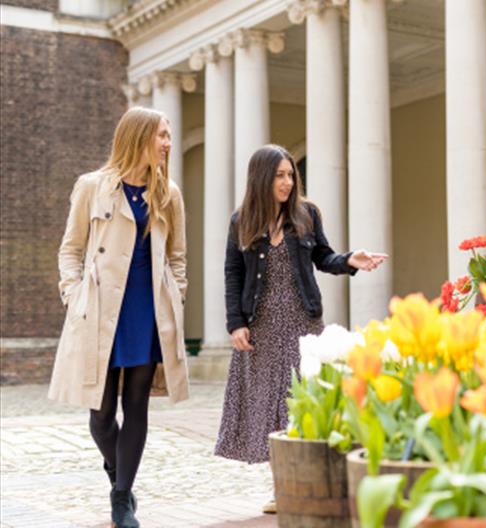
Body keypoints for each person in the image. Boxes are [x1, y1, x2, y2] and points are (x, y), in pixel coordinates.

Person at [215, 144, 387, 512]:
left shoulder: (307, 215)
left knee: (300, 398)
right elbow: (233, 273)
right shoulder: (241, 220)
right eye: (279, 175)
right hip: (260, 323)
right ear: (262, 177)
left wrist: (350, 260)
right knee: (268, 404)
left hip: (301, 320)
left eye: (291, 174)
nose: (288, 182)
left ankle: (300, 482)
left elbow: (323, 257)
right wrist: (235, 323)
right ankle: (283, 485)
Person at [48, 107, 189, 528]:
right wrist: (73, 295)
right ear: (139, 136)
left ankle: (121, 499)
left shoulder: (169, 193)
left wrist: (175, 297)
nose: (167, 143)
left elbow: (178, 257)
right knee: (101, 413)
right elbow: (70, 249)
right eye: (162, 135)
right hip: (99, 310)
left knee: (137, 405)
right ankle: (119, 476)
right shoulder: (92, 187)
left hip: (148, 310)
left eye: (168, 136)